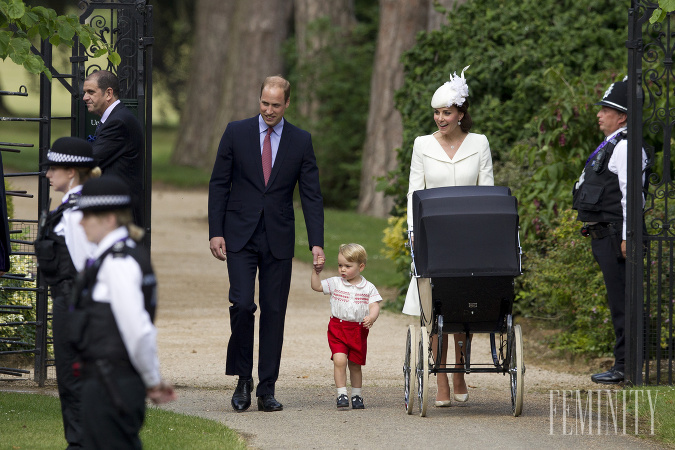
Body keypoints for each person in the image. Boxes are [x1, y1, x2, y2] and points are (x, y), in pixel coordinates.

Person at [208, 75, 325, 412]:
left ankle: (266, 389)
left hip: (278, 237)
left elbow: (312, 196)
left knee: (274, 313)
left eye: (276, 104)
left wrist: (316, 242)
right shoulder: (236, 132)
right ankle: (243, 378)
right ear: (258, 100)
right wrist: (216, 231)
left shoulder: (300, 141)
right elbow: (219, 184)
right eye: (264, 103)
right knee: (243, 305)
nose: (269, 110)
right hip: (239, 234)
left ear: (287, 104)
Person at [402, 66, 494, 407]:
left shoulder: (479, 143)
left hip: (471, 237)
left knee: (463, 309)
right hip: (435, 236)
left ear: (461, 113)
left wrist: (489, 234)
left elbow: (488, 189)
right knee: (437, 310)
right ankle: (440, 377)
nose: (441, 118)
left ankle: (459, 372)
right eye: (437, 113)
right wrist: (414, 234)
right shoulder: (422, 144)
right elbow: (415, 191)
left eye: (447, 112)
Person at [71, 176, 175, 448]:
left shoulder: (118, 262)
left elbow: (137, 330)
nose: (81, 222)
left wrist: (152, 380)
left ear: (109, 219)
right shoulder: (118, 255)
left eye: (87, 215)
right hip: (110, 380)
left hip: (111, 383)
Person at [572, 78, 645, 385]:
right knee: (618, 302)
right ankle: (623, 364)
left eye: (606, 110)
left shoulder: (626, 146)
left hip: (616, 236)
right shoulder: (613, 143)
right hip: (607, 235)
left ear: (623, 116)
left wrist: (629, 237)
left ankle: (626, 368)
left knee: (623, 303)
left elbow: (632, 196)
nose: (600, 115)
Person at [34, 137, 99, 449]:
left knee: (73, 381)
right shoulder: (82, 204)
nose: (48, 174)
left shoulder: (76, 214)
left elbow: (90, 267)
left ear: (71, 170)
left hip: (74, 305)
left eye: (53, 167)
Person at [311, 244, 382, 409]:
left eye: (348, 266)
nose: (342, 269)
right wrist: (316, 271)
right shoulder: (336, 283)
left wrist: (371, 317)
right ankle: (341, 394)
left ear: (361, 266)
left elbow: (374, 305)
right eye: (340, 265)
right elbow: (317, 286)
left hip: (358, 330)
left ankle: (357, 395)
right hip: (338, 327)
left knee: (355, 364)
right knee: (339, 360)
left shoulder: (368, 287)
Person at [82, 70, 145, 228]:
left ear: (108, 93)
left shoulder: (118, 122)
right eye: (84, 92)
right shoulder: (114, 118)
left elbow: (93, 158)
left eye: (91, 92)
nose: (84, 98)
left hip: (121, 212)